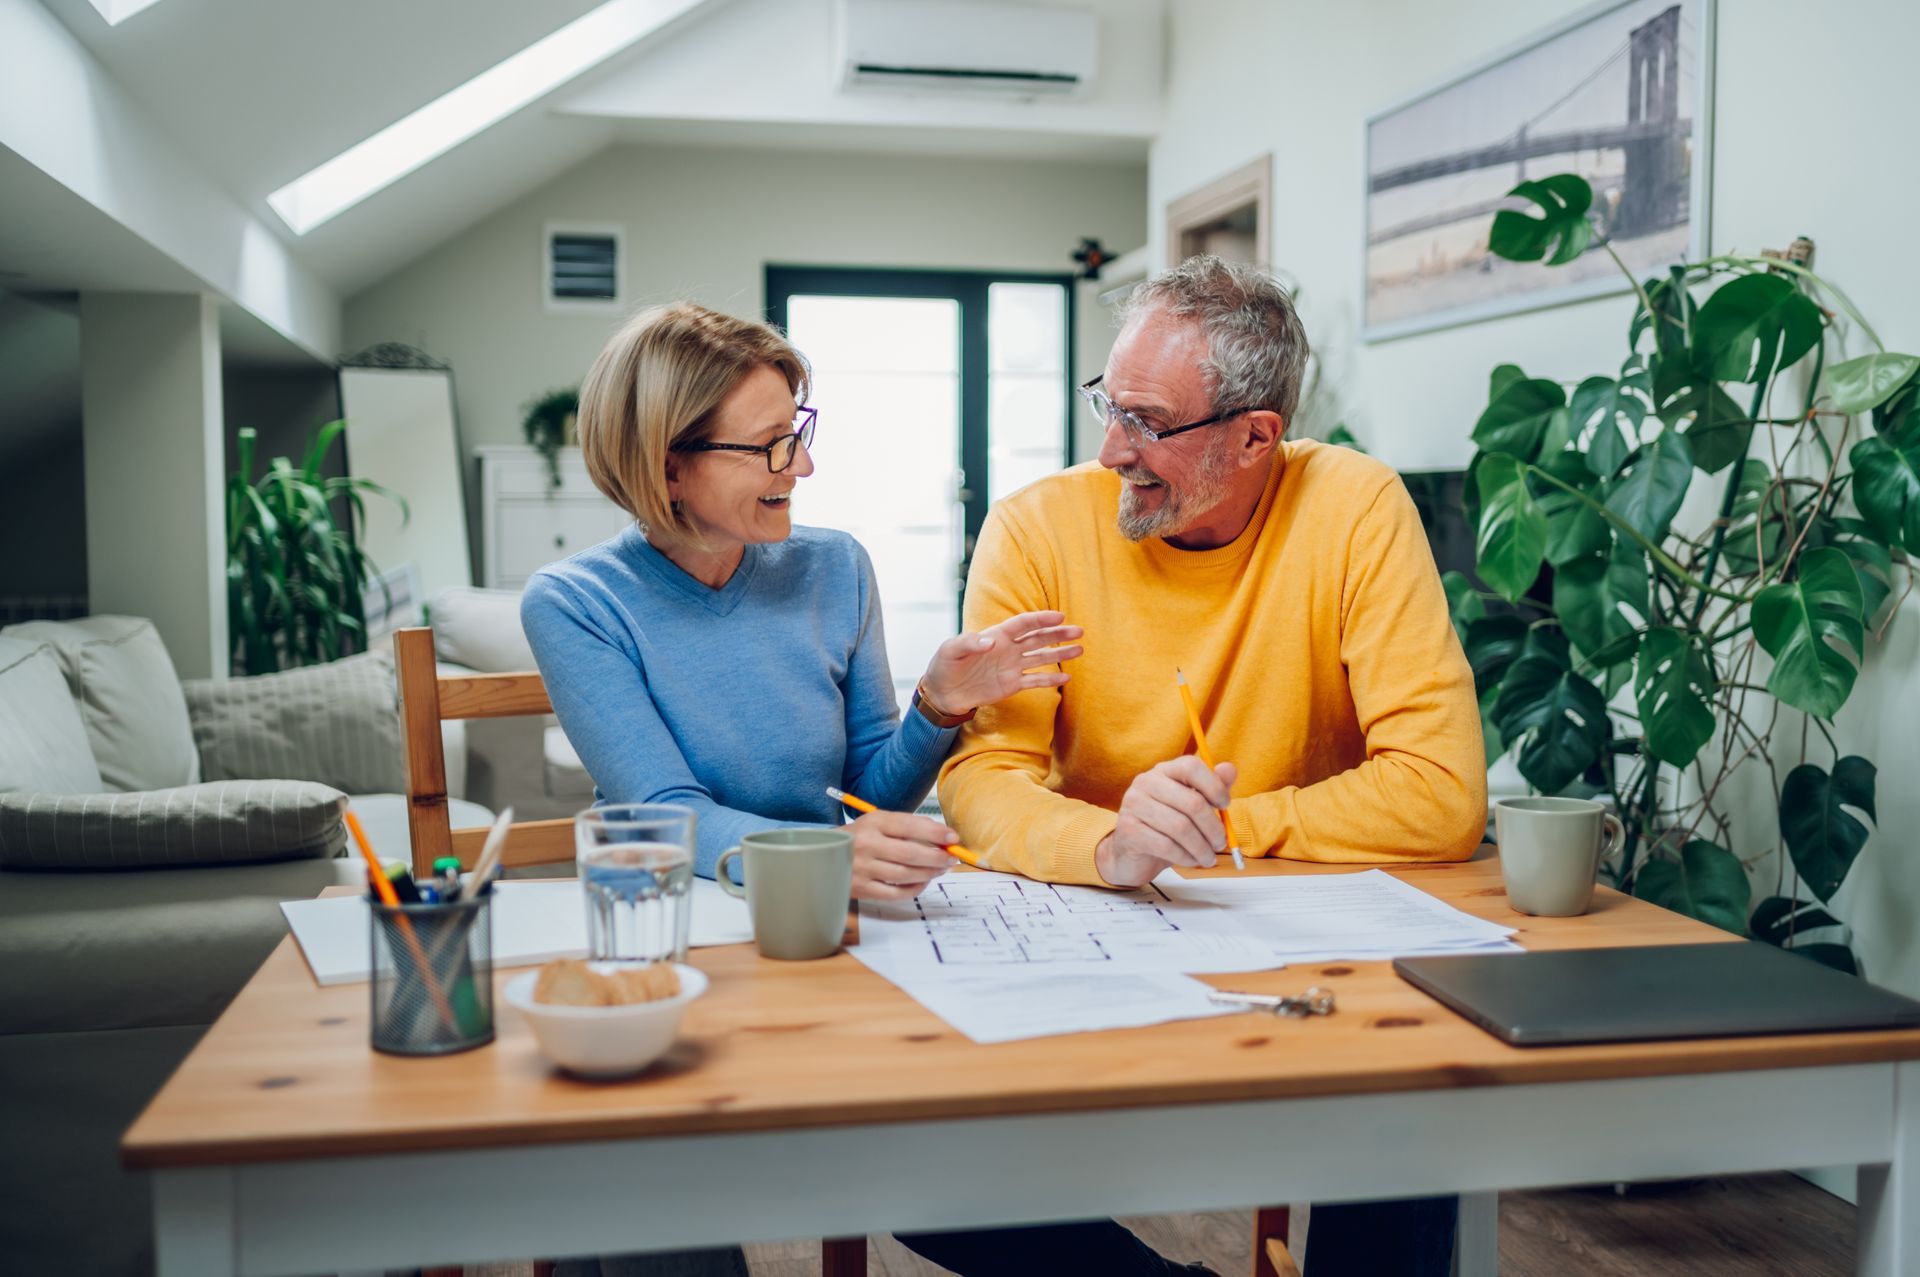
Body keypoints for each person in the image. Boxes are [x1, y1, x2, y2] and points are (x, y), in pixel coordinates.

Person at [911, 255, 1486, 1276]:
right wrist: (1113, 842)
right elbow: (983, 775)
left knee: (1412, 1103)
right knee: (919, 1169)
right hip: (1089, 928)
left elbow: (1440, 792)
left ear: (1257, 435)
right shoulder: (1038, 524)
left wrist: (1221, 828)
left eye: (1147, 421)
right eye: (1108, 403)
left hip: (1302, 950)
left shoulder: (1353, 505)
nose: (1110, 448)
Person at [523, 300, 1083, 898]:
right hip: (668, 912)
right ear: (668, 471)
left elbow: (870, 799)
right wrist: (827, 853)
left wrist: (939, 705)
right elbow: (664, 813)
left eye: (797, 433)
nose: (804, 466)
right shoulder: (575, 603)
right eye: (772, 444)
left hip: (818, 905)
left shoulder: (837, 566)